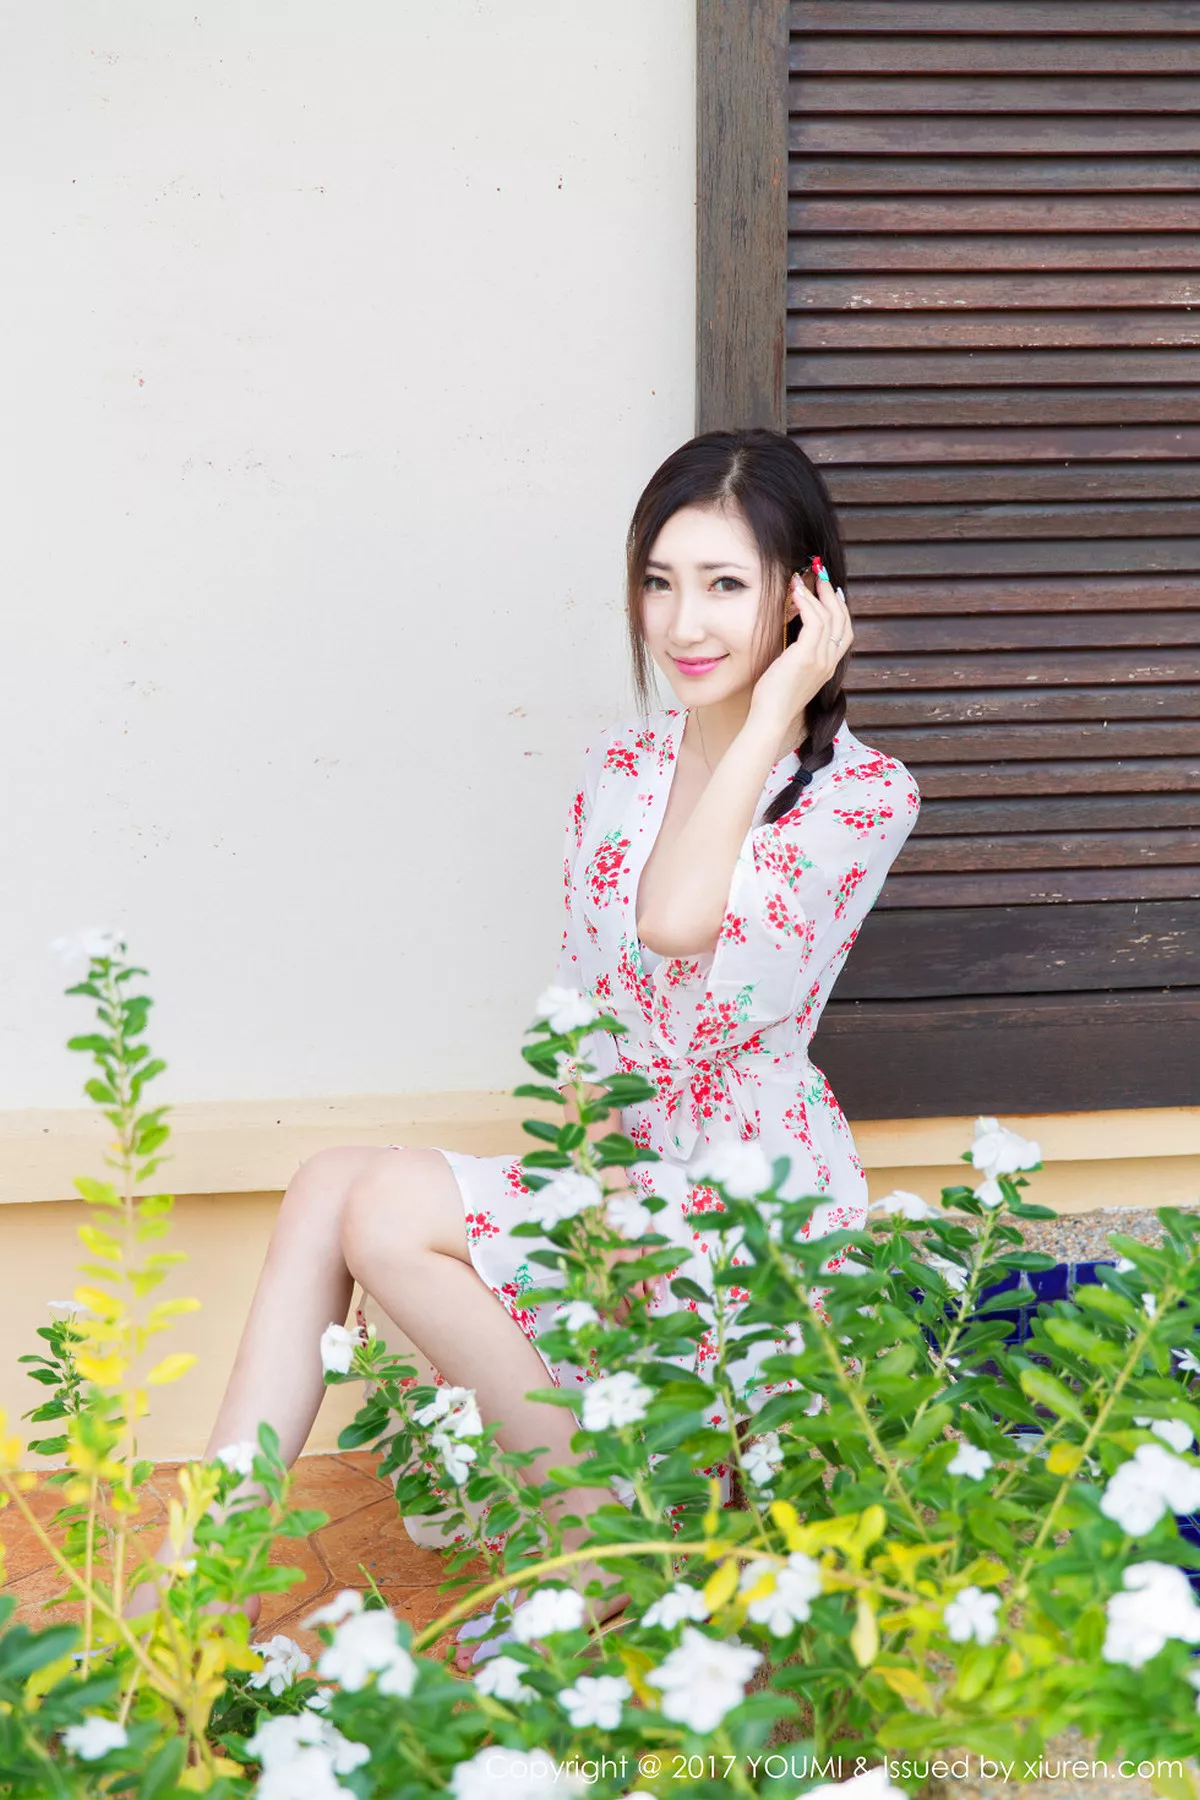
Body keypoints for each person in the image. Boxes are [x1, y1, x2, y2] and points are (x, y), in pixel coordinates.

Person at [126, 428, 921, 1672]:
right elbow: (591, 1010)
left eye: (724, 584)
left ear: (803, 599)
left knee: (382, 1207)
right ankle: (201, 1585)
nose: (682, 622)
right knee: (332, 1184)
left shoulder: (864, 796)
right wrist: (587, 1188)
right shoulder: (622, 767)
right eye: (659, 581)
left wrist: (773, 717)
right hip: (624, 1171)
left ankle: (605, 1554)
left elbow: (677, 922)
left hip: (755, 1209)